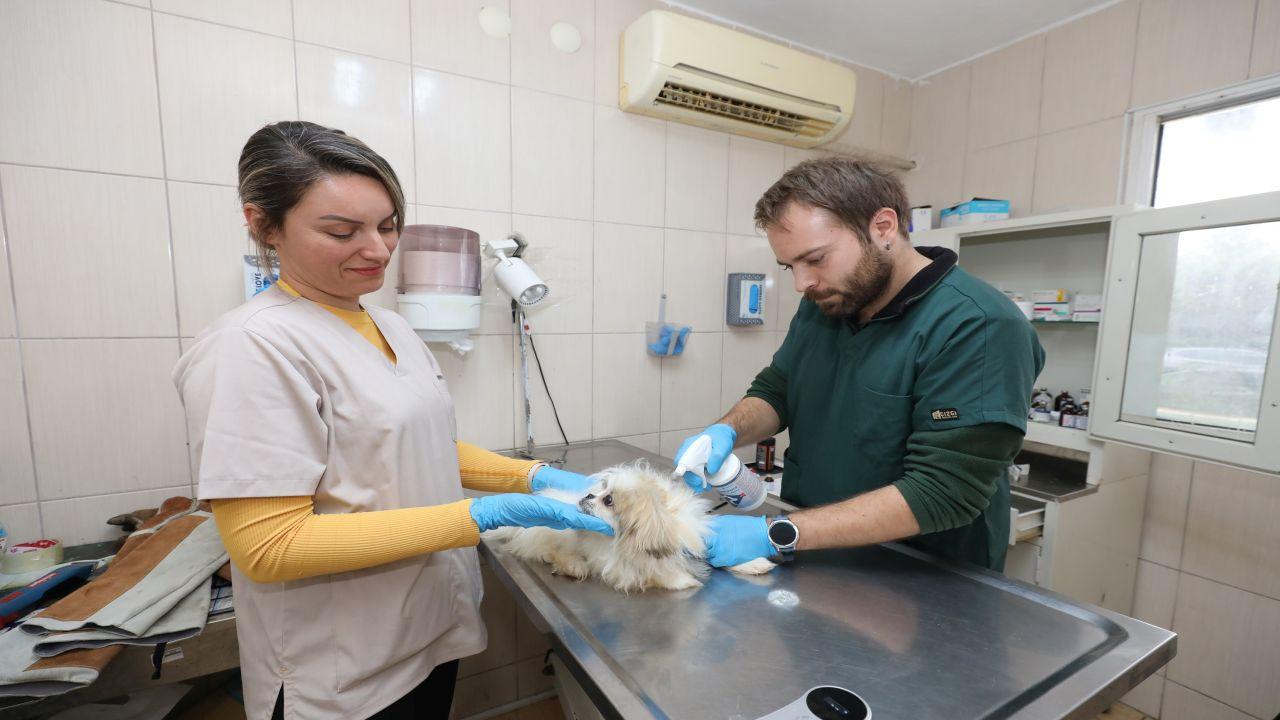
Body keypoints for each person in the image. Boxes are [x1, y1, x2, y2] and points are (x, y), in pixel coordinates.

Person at [173, 121, 610, 720]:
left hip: (427, 635)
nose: (378, 250)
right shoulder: (253, 345)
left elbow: (424, 445)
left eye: (387, 226)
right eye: (341, 230)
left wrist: (533, 477)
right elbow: (269, 547)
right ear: (263, 224)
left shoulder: (391, 327)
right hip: (341, 671)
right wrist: (481, 515)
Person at [679, 157, 1044, 572]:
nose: (803, 283)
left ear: (883, 228)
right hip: (815, 548)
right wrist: (727, 430)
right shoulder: (828, 302)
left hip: (922, 579)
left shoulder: (979, 326)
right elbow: (780, 388)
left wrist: (775, 533)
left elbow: (942, 492)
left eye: (815, 259)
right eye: (790, 267)